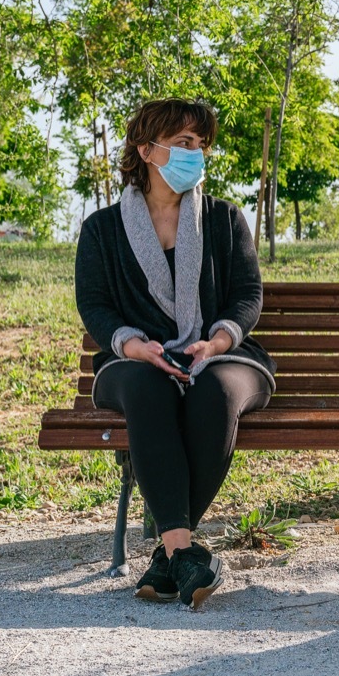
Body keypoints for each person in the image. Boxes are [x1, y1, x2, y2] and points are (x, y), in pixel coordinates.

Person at [75, 98, 276, 609]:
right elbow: (95, 306)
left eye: (201, 145)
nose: (196, 155)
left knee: (215, 389)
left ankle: (171, 556)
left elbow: (247, 296)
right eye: (184, 144)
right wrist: (134, 345)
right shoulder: (102, 230)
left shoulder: (225, 219)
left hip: (221, 351)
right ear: (147, 150)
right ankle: (185, 555)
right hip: (135, 358)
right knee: (146, 388)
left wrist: (217, 341)